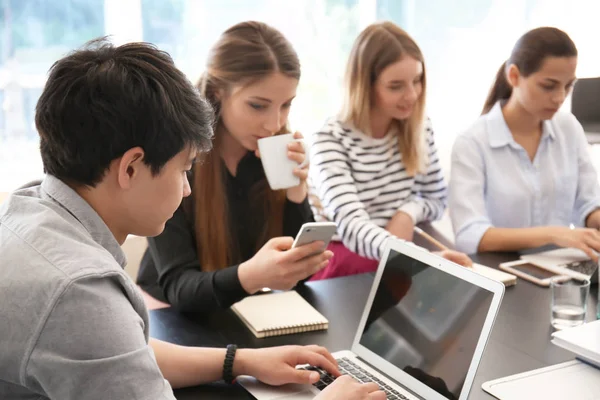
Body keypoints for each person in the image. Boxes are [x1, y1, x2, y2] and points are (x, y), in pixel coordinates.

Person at [0, 38, 384, 400]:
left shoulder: (32, 209)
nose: (186, 189)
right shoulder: (80, 294)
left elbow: (124, 353)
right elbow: (104, 333)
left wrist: (241, 360)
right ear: (131, 168)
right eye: (183, 170)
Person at [136, 21, 332, 313]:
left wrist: (296, 192)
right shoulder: (173, 160)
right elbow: (181, 289)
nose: (274, 124)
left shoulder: (276, 154)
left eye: (286, 105)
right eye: (258, 105)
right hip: (171, 316)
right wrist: (252, 277)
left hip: (247, 311)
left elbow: (299, 276)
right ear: (217, 93)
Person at [309, 21, 471, 279]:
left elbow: (437, 199)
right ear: (365, 86)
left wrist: (407, 213)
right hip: (347, 262)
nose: (412, 95)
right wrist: (416, 257)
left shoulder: (419, 127)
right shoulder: (329, 140)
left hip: (398, 250)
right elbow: (352, 227)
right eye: (396, 86)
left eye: (417, 81)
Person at [449, 27, 600, 258]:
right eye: (548, 86)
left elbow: (587, 203)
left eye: (568, 85)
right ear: (514, 76)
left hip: (560, 269)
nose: (560, 97)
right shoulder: (472, 142)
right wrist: (553, 234)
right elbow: (471, 234)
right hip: (501, 274)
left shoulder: (568, 127)